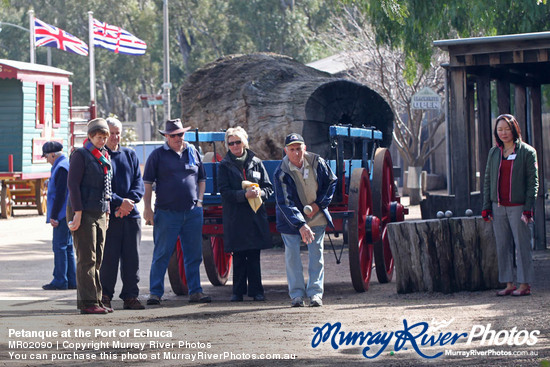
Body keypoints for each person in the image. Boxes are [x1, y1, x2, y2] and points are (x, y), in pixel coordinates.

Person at [143, 118, 210, 305]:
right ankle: (155, 293)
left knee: (193, 255)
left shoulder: (193, 152)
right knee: (162, 254)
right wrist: (147, 208)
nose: (177, 138)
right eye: (173, 135)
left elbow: (202, 178)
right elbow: (147, 183)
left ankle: (195, 291)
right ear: (166, 136)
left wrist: (200, 202)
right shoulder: (157, 156)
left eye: (180, 134)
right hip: (166, 213)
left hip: (192, 213)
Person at [273, 133, 337, 307]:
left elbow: (331, 183)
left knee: (316, 255)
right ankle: (296, 296)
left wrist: (318, 205)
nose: (296, 153)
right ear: (286, 151)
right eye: (292, 149)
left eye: (298, 148)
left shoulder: (318, 162)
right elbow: (285, 203)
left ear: (304, 148)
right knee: (292, 257)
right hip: (290, 220)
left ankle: (316, 294)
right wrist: (301, 224)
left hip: (316, 217)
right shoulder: (281, 172)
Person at [482, 113, 538, 297]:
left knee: (522, 246)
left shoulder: (527, 152)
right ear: (496, 132)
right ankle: (508, 284)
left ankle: (524, 284)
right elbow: (488, 179)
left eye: (507, 129)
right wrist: (486, 206)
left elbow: (533, 182)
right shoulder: (494, 152)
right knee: (503, 245)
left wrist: (528, 207)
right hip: (498, 206)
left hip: (519, 207)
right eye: (500, 129)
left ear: (514, 129)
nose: (503, 133)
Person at [218, 127, 273, 302]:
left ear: (244, 142)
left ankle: (257, 291)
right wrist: (243, 195)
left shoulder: (256, 162)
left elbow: (268, 188)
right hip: (235, 216)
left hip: (255, 215)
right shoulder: (224, 165)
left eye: (237, 142)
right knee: (239, 255)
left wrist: (260, 194)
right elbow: (224, 192)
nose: (234, 145)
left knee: (254, 255)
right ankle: (237, 292)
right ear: (227, 145)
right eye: (231, 143)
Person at [67, 118, 113, 314]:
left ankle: (97, 299)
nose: (102, 141)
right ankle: (88, 303)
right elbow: (73, 186)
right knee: (87, 258)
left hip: (100, 210)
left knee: (98, 258)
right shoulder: (81, 155)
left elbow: (107, 187)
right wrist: (77, 214)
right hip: (84, 211)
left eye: (104, 137)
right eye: (98, 137)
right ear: (90, 137)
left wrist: (107, 211)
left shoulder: (104, 156)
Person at [100, 117, 145, 310]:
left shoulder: (130, 154)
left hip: (131, 215)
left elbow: (139, 183)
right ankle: (105, 296)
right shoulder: (99, 156)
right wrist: (119, 204)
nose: (115, 137)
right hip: (111, 216)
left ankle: (130, 296)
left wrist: (129, 202)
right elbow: (102, 186)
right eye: (111, 133)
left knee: (131, 259)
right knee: (108, 259)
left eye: (118, 133)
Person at [42, 141, 77, 291]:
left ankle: (60, 280)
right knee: (68, 247)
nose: (46, 160)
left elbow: (61, 194)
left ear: (52, 155)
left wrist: (54, 216)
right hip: (68, 212)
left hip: (62, 214)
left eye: (46, 157)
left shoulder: (61, 167)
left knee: (59, 247)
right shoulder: (64, 165)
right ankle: (71, 280)